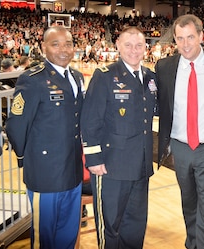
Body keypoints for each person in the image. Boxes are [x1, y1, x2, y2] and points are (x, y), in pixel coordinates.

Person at [155, 14, 204, 249]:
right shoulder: (164, 67)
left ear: (201, 36)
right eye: (180, 38)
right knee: (189, 204)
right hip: (181, 147)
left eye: (190, 37)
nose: (185, 44)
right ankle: (193, 244)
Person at [5, 26, 84, 249]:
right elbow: (16, 125)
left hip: (72, 171)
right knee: (44, 238)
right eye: (55, 44)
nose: (63, 49)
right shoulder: (33, 80)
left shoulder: (76, 77)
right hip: (45, 173)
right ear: (43, 48)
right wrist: (27, 159)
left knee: (68, 233)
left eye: (68, 44)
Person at [80, 26, 157, 249]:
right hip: (111, 166)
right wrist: (93, 160)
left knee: (135, 225)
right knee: (110, 227)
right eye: (128, 45)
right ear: (118, 47)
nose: (134, 50)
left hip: (141, 167)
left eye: (139, 45)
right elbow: (90, 119)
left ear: (146, 48)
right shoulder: (104, 76)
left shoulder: (150, 78)